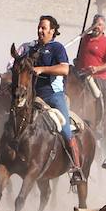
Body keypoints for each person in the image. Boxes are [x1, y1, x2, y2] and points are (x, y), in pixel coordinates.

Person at [21, 15, 84, 185]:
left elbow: (64, 69)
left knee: (65, 129)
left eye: (44, 28)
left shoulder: (57, 48)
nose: (40, 30)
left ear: (52, 31)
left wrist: (42, 69)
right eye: (39, 27)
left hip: (53, 95)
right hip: (32, 96)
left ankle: (76, 168)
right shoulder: (32, 49)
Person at [73, 12, 106, 125]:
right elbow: (81, 55)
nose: (97, 26)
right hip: (80, 73)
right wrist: (77, 61)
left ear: (104, 27)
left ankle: (101, 123)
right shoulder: (84, 38)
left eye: (100, 24)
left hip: (97, 77)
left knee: (99, 96)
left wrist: (97, 68)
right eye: (95, 24)